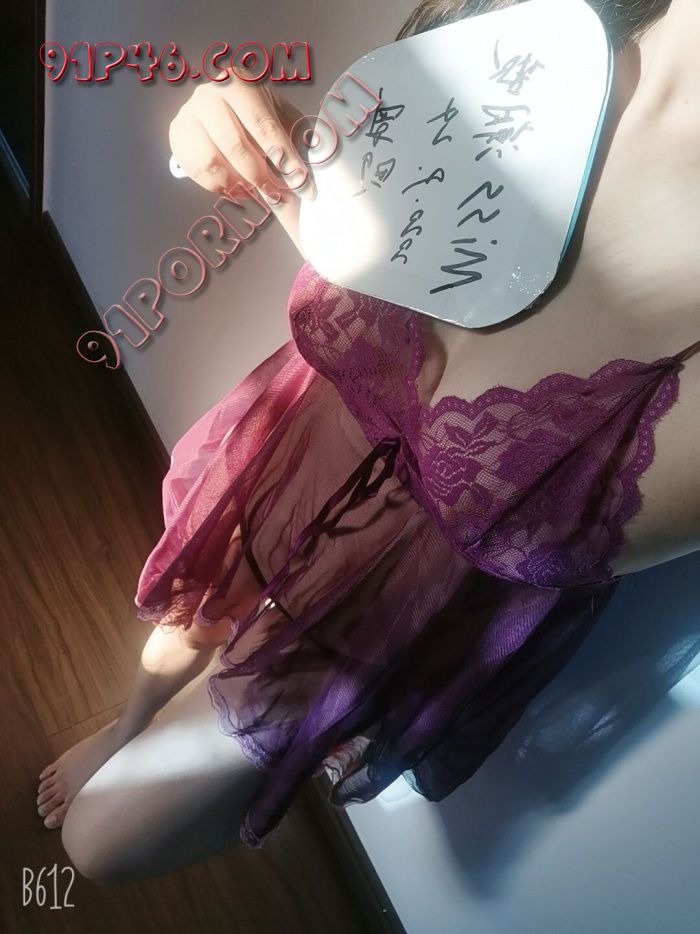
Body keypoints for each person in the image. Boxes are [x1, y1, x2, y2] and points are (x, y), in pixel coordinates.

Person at [37, 0, 700, 885]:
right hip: (317, 429)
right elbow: (362, 210)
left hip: (415, 577)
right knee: (187, 623)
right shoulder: (538, 28)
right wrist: (241, 139)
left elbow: (561, 519)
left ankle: (205, 733)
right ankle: (127, 723)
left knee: (102, 841)